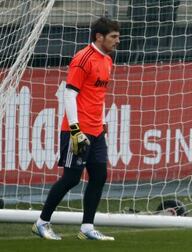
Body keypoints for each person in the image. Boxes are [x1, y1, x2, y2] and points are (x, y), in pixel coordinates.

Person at [32, 17, 120, 241]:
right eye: (113, 36)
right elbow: (70, 93)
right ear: (99, 37)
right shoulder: (83, 59)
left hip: (96, 130)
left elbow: (98, 96)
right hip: (78, 130)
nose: (117, 41)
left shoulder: (108, 60)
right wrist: (75, 130)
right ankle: (41, 223)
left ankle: (87, 228)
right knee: (72, 178)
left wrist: (101, 121)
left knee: (99, 175)